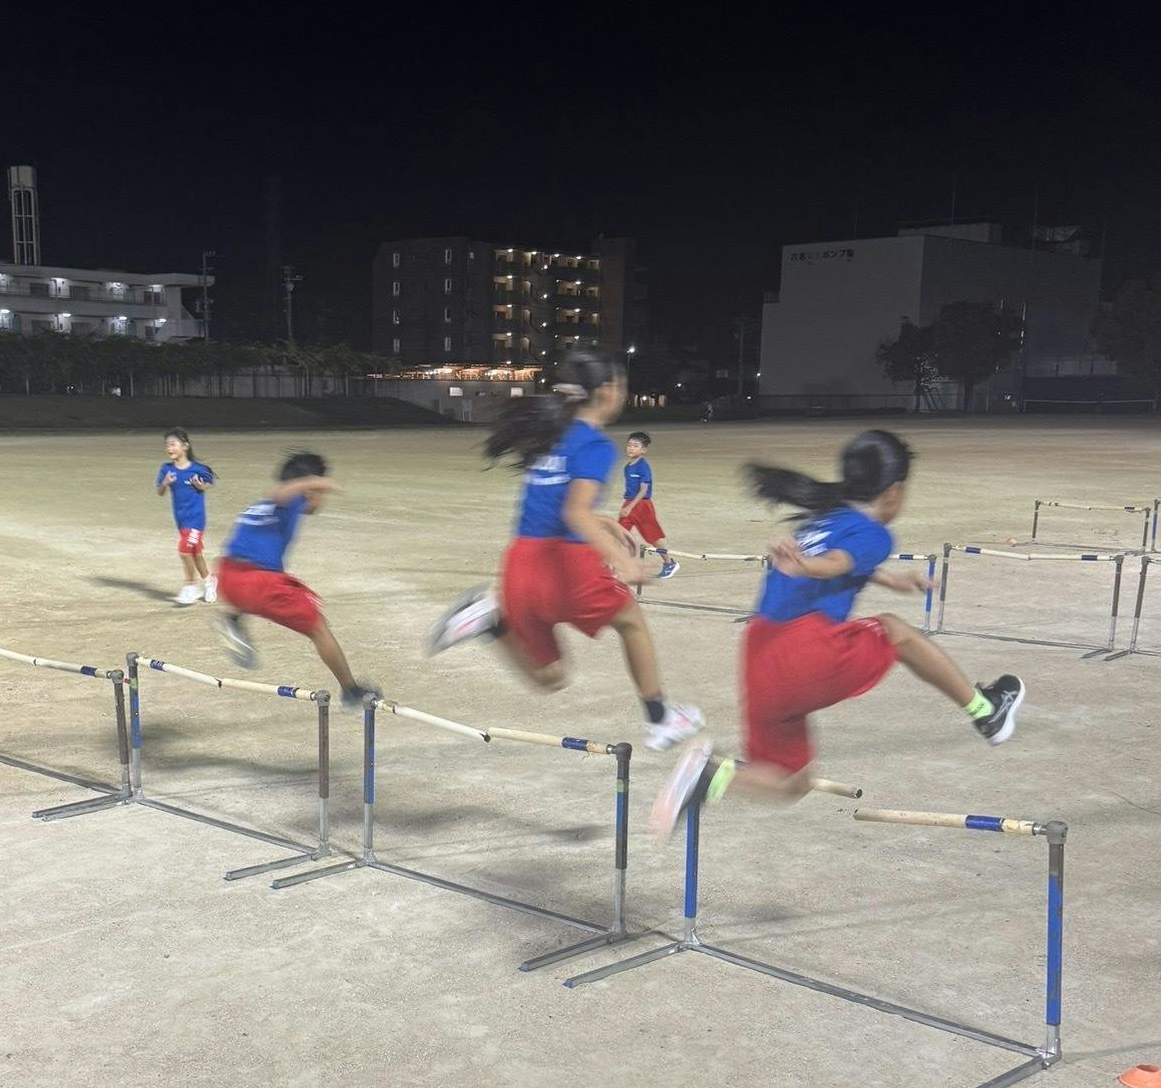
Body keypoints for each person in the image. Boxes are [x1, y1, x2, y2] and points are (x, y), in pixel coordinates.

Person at [652, 429, 1025, 830]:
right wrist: (808, 566)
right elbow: (836, 564)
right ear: (894, 491)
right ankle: (986, 711)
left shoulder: (825, 519)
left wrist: (890, 580)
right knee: (896, 630)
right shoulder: (875, 534)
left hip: (759, 652)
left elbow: (845, 562)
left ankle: (708, 776)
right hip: (800, 650)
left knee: (791, 782)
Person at [426, 352, 703, 751]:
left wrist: (602, 521)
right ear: (604, 392)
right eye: (620, 386)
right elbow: (574, 511)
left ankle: (489, 623)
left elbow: (557, 504)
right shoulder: (595, 445)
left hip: (521, 564)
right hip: (563, 567)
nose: (622, 393)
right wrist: (623, 560)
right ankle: (660, 719)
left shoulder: (550, 438)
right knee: (631, 621)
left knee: (551, 677)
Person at [213, 451, 377, 702]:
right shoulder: (289, 499)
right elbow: (281, 493)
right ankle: (351, 690)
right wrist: (314, 483)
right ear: (308, 489)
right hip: (256, 584)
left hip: (227, 577)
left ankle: (232, 619)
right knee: (318, 627)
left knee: (276, 582)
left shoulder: (259, 507)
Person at [155, 429, 218, 604]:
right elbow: (159, 492)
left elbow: (208, 483)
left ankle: (191, 586)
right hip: (181, 520)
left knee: (184, 551)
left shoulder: (198, 469)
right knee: (195, 554)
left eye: (173, 444)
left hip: (196, 520)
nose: (169, 448)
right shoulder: (166, 469)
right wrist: (165, 483)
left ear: (185, 446)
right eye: (167, 445)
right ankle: (210, 581)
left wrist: (201, 486)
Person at [618, 430, 681, 582]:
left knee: (652, 537)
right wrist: (627, 506)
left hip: (642, 506)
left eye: (635, 445)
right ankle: (613, 567)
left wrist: (630, 507)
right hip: (629, 504)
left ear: (643, 450)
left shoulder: (643, 467)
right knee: (618, 534)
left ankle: (669, 563)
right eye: (629, 445)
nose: (631, 448)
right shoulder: (627, 467)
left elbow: (643, 490)